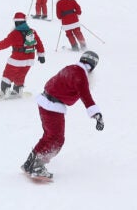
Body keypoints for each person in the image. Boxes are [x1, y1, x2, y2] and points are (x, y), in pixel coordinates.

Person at [21, 51, 103, 180]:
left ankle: (30, 163)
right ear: (93, 66)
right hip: (52, 107)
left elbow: (51, 82)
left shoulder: (70, 68)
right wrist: (96, 114)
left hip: (44, 102)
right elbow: (86, 96)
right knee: (57, 139)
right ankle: (38, 166)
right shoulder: (81, 76)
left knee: (48, 136)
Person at [0, 12, 45, 97]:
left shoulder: (15, 33)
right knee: (21, 74)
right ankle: (18, 89)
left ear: (16, 22)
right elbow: (39, 43)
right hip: (29, 60)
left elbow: (4, 43)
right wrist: (41, 55)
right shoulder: (32, 32)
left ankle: (3, 91)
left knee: (8, 74)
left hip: (17, 59)